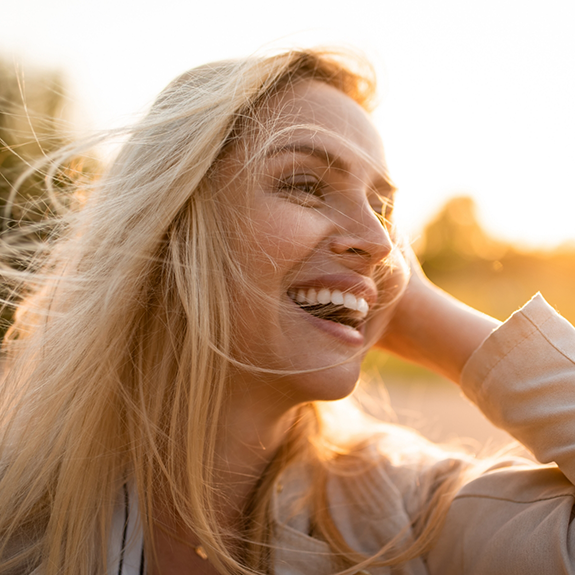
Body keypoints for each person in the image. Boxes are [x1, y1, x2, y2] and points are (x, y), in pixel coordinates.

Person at [0, 48, 574, 575]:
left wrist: (422, 312)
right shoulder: (18, 515)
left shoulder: (403, 518)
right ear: (169, 229)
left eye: (384, 210)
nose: (380, 241)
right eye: (305, 184)